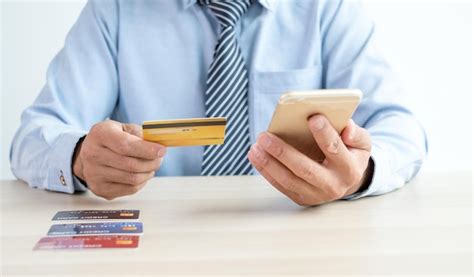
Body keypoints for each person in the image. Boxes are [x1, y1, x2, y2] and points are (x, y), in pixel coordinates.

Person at [10, 0, 427, 205]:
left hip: (296, 238)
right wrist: (81, 157)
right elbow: (33, 135)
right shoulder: (116, 9)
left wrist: (359, 173)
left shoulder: (325, 8)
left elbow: (400, 128)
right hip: (157, 246)